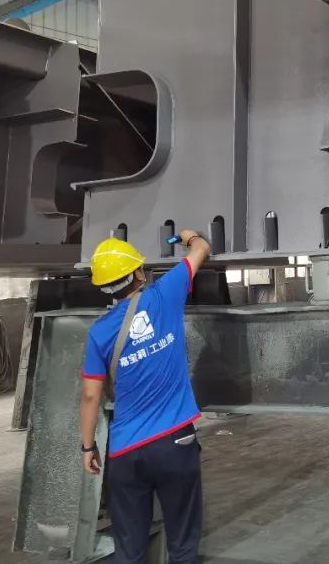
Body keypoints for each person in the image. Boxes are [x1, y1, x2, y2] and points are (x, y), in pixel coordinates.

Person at [78, 228, 211, 564]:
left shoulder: (99, 332)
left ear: (104, 287)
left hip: (125, 452)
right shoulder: (165, 293)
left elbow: (90, 396)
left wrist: (88, 447)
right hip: (174, 443)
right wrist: (189, 236)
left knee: (129, 547)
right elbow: (201, 249)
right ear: (138, 272)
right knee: (182, 542)